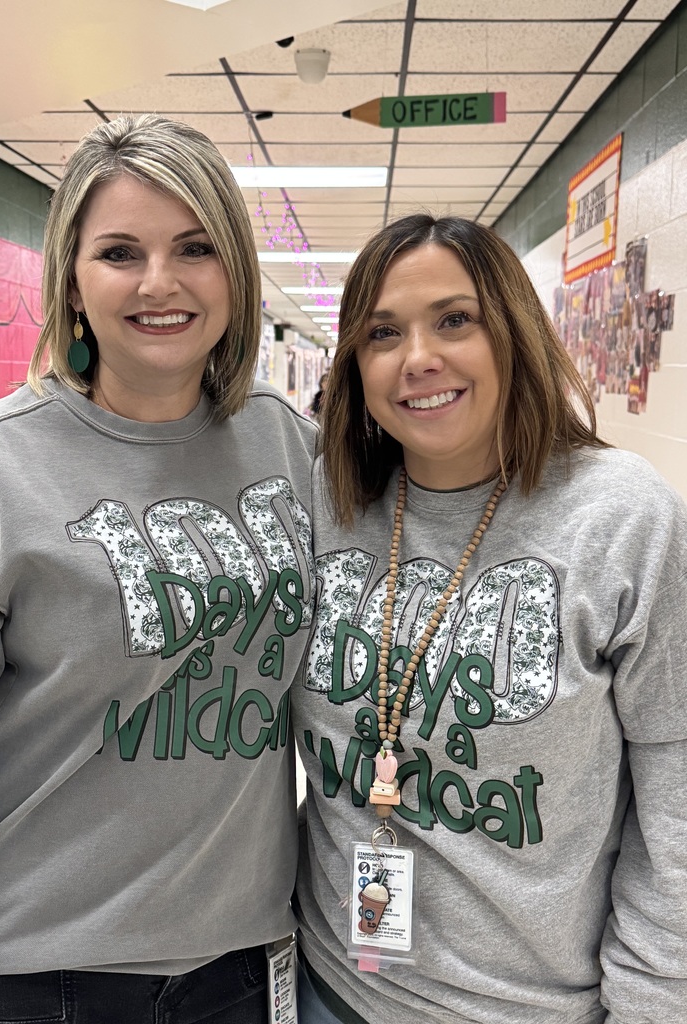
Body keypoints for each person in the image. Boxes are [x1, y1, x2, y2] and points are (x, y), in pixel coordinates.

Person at [0, 114, 316, 1023]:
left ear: (236, 274)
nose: (160, 283)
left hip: (243, 960)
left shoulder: (286, 442)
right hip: (40, 978)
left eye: (194, 247)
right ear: (72, 280)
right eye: (120, 253)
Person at [292, 213, 687, 1024]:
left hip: (524, 1008)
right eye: (382, 333)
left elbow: (676, 807)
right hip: (325, 981)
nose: (419, 358)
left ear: (511, 330)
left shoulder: (621, 517)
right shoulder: (329, 503)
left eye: (454, 320)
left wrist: (653, 1005)